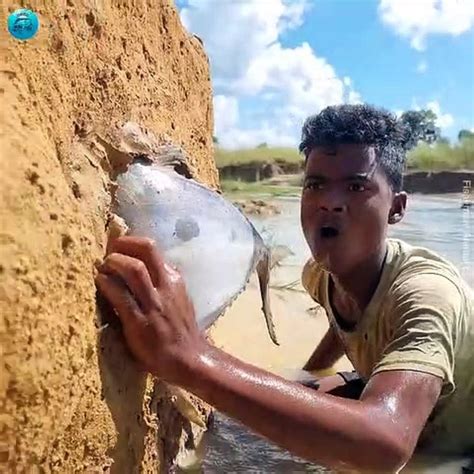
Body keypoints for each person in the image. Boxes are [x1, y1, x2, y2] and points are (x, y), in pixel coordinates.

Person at [95, 104, 473, 472]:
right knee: (281, 405)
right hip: (406, 404)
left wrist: (192, 357)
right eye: (316, 184)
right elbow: (343, 315)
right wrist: (310, 373)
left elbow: (387, 445)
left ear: (397, 208)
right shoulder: (321, 274)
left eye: (357, 186)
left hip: (457, 445)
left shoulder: (427, 294)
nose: (329, 202)